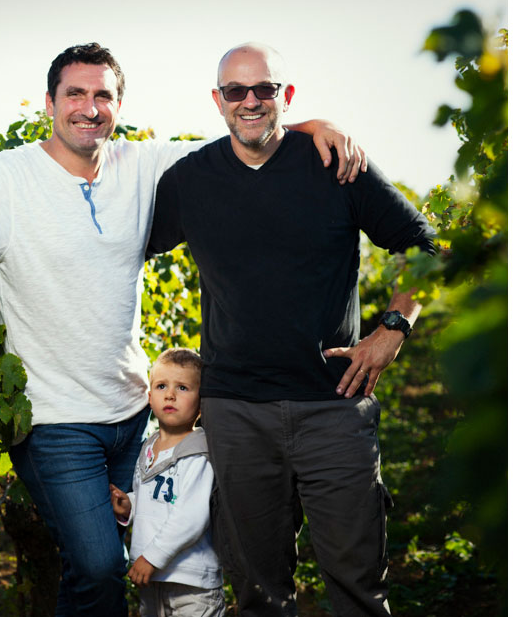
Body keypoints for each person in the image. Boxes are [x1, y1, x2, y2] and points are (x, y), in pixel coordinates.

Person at [0, 43, 366, 616]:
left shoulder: (145, 164)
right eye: (75, 94)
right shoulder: (7, 178)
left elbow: (246, 138)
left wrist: (313, 124)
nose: (90, 107)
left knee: (138, 566)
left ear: (119, 104)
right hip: (55, 423)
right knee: (99, 568)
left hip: (135, 418)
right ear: (50, 104)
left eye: (103, 94)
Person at [146, 43, 436, 617]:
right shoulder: (189, 181)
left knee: (357, 587)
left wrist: (393, 329)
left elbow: (424, 247)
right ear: (218, 100)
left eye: (265, 90)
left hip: (334, 407)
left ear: (288, 95)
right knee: (258, 593)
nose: (250, 101)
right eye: (237, 91)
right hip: (236, 413)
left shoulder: (336, 164)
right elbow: (119, 250)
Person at [109, 348, 224, 617]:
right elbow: (157, 499)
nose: (170, 394)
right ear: (150, 397)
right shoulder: (148, 448)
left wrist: (151, 558)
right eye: (161, 386)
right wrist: (131, 506)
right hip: (153, 579)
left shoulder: (197, 452)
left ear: (201, 401)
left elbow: (191, 517)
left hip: (191, 582)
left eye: (182, 387)